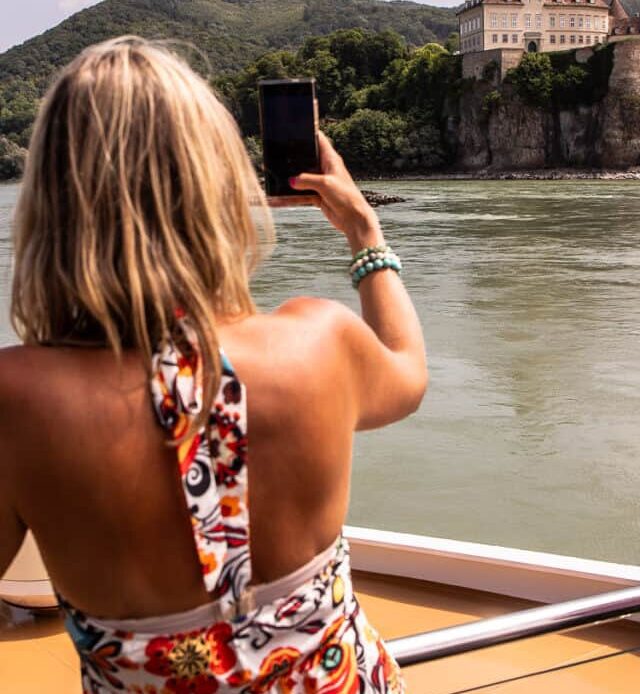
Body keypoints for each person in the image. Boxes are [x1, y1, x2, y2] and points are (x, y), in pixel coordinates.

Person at [0, 36, 426, 693]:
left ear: (55, 204)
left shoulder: (17, 402)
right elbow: (408, 373)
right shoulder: (320, 340)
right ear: (220, 185)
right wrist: (364, 230)